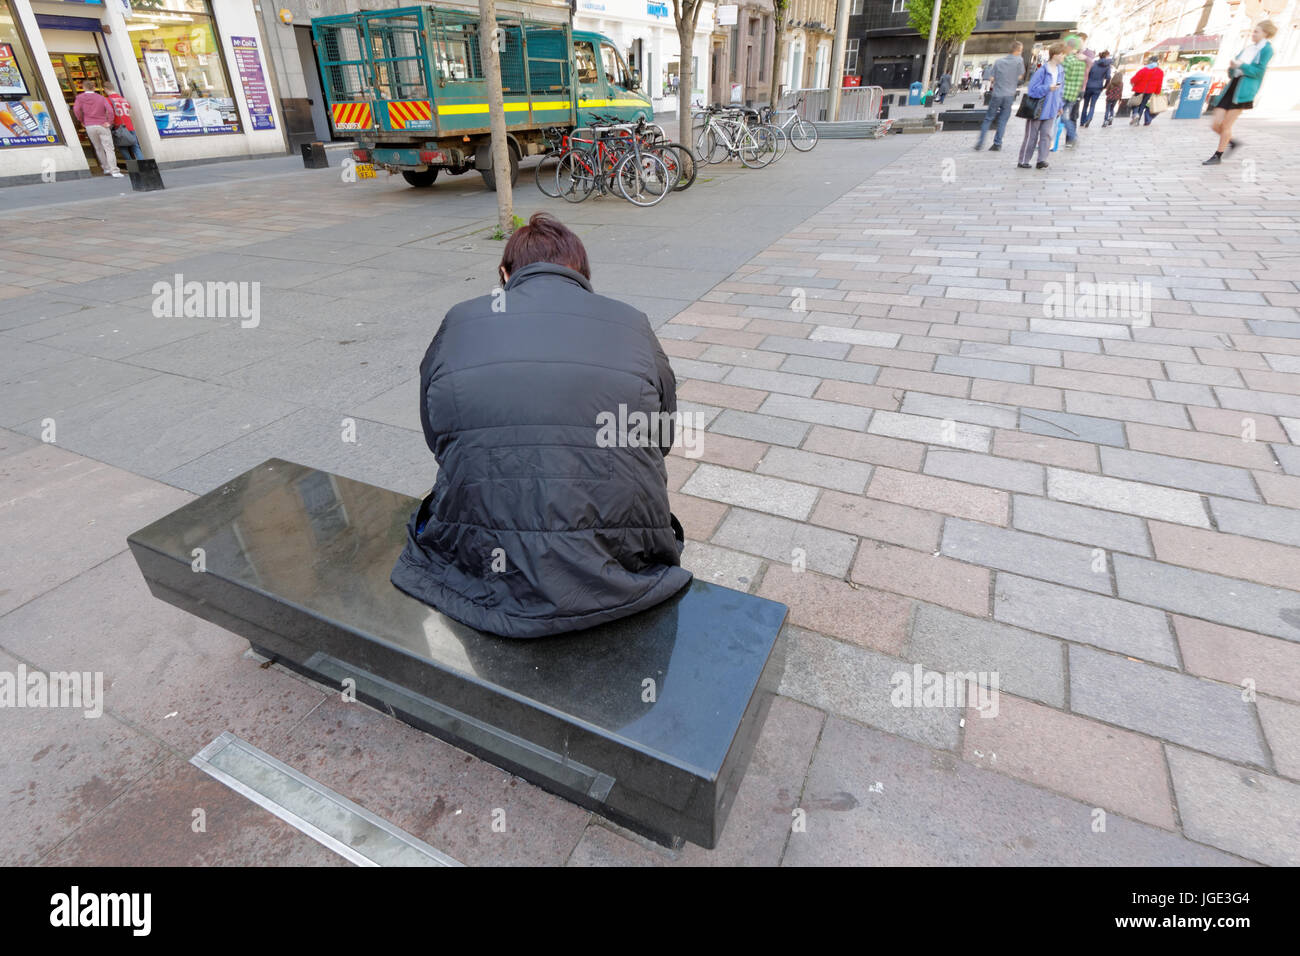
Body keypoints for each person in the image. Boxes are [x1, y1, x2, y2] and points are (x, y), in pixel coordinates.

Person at [390, 213, 691, 638]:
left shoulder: (459, 320)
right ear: (583, 276)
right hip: (622, 564)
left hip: (483, 565)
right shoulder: (632, 322)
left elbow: (437, 437)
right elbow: (661, 439)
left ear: (504, 274)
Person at [1204, 20, 1277, 165]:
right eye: (1254, 31)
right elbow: (1233, 71)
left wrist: (1241, 65)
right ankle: (1232, 142)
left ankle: (1218, 155)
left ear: (1265, 33)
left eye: (1257, 31)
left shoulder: (1267, 50)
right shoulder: (1248, 49)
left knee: (1226, 126)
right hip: (1232, 87)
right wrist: (1232, 68)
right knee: (1214, 124)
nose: (1253, 34)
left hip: (1244, 91)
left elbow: (1259, 72)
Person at [1017, 41, 1065, 170]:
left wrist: (1060, 105)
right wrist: (1047, 88)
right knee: (1031, 136)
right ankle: (1023, 160)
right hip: (1038, 108)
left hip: (1052, 108)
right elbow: (1032, 89)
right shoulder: (1042, 71)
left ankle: (1042, 160)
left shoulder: (1061, 71)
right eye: (1062, 54)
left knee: (1046, 135)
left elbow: (1061, 90)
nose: (1063, 57)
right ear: (1054, 55)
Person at [974, 41, 1025, 151]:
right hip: (1009, 95)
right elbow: (1020, 77)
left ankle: (980, 142)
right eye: (1021, 50)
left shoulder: (998, 61)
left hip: (997, 94)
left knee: (988, 118)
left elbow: (992, 78)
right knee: (1003, 120)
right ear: (1017, 50)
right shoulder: (1019, 61)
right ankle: (997, 143)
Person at [72, 78, 121, 177]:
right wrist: (109, 122)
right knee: (109, 148)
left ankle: (106, 168)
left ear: (84, 87)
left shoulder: (79, 98)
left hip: (89, 125)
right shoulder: (101, 97)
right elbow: (110, 111)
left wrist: (82, 121)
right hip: (102, 124)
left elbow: (76, 110)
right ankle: (114, 170)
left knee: (98, 148)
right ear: (94, 87)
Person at [103, 80, 142, 163]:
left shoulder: (108, 100)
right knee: (135, 147)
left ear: (106, 89)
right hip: (130, 126)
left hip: (119, 128)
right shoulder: (123, 99)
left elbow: (108, 113)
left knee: (122, 147)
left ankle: (132, 165)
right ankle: (142, 165)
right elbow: (130, 112)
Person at [1059, 36, 1085, 148]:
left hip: (1064, 93)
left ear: (1068, 47)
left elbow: (1061, 78)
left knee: (1062, 117)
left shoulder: (1067, 61)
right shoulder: (1081, 63)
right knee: (1066, 116)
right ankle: (1072, 137)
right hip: (1073, 95)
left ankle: (1073, 136)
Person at [1129, 57, 1164, 126]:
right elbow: (1159, 84)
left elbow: (1134, 79)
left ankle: (1135, 114)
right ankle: (1137, 121)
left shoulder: (1144, 70)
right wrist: (1157, 92)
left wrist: (1133, 84)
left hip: (1139, 90)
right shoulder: (1160, 72)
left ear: (1150, 62)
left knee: (1135, 103)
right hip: (1149, 91)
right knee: (1142, 105)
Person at [1081, 50, 1112, 127]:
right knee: (1092, 105)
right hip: (1098, 87)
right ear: (1107, 56)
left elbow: (1087, 73)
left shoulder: (1093, 63)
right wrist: (1104, 86)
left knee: (1085, 104)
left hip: (1088, 86)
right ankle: (1089, 117)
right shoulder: (1108, 66)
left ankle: (1082, 121)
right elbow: (1108, 77)